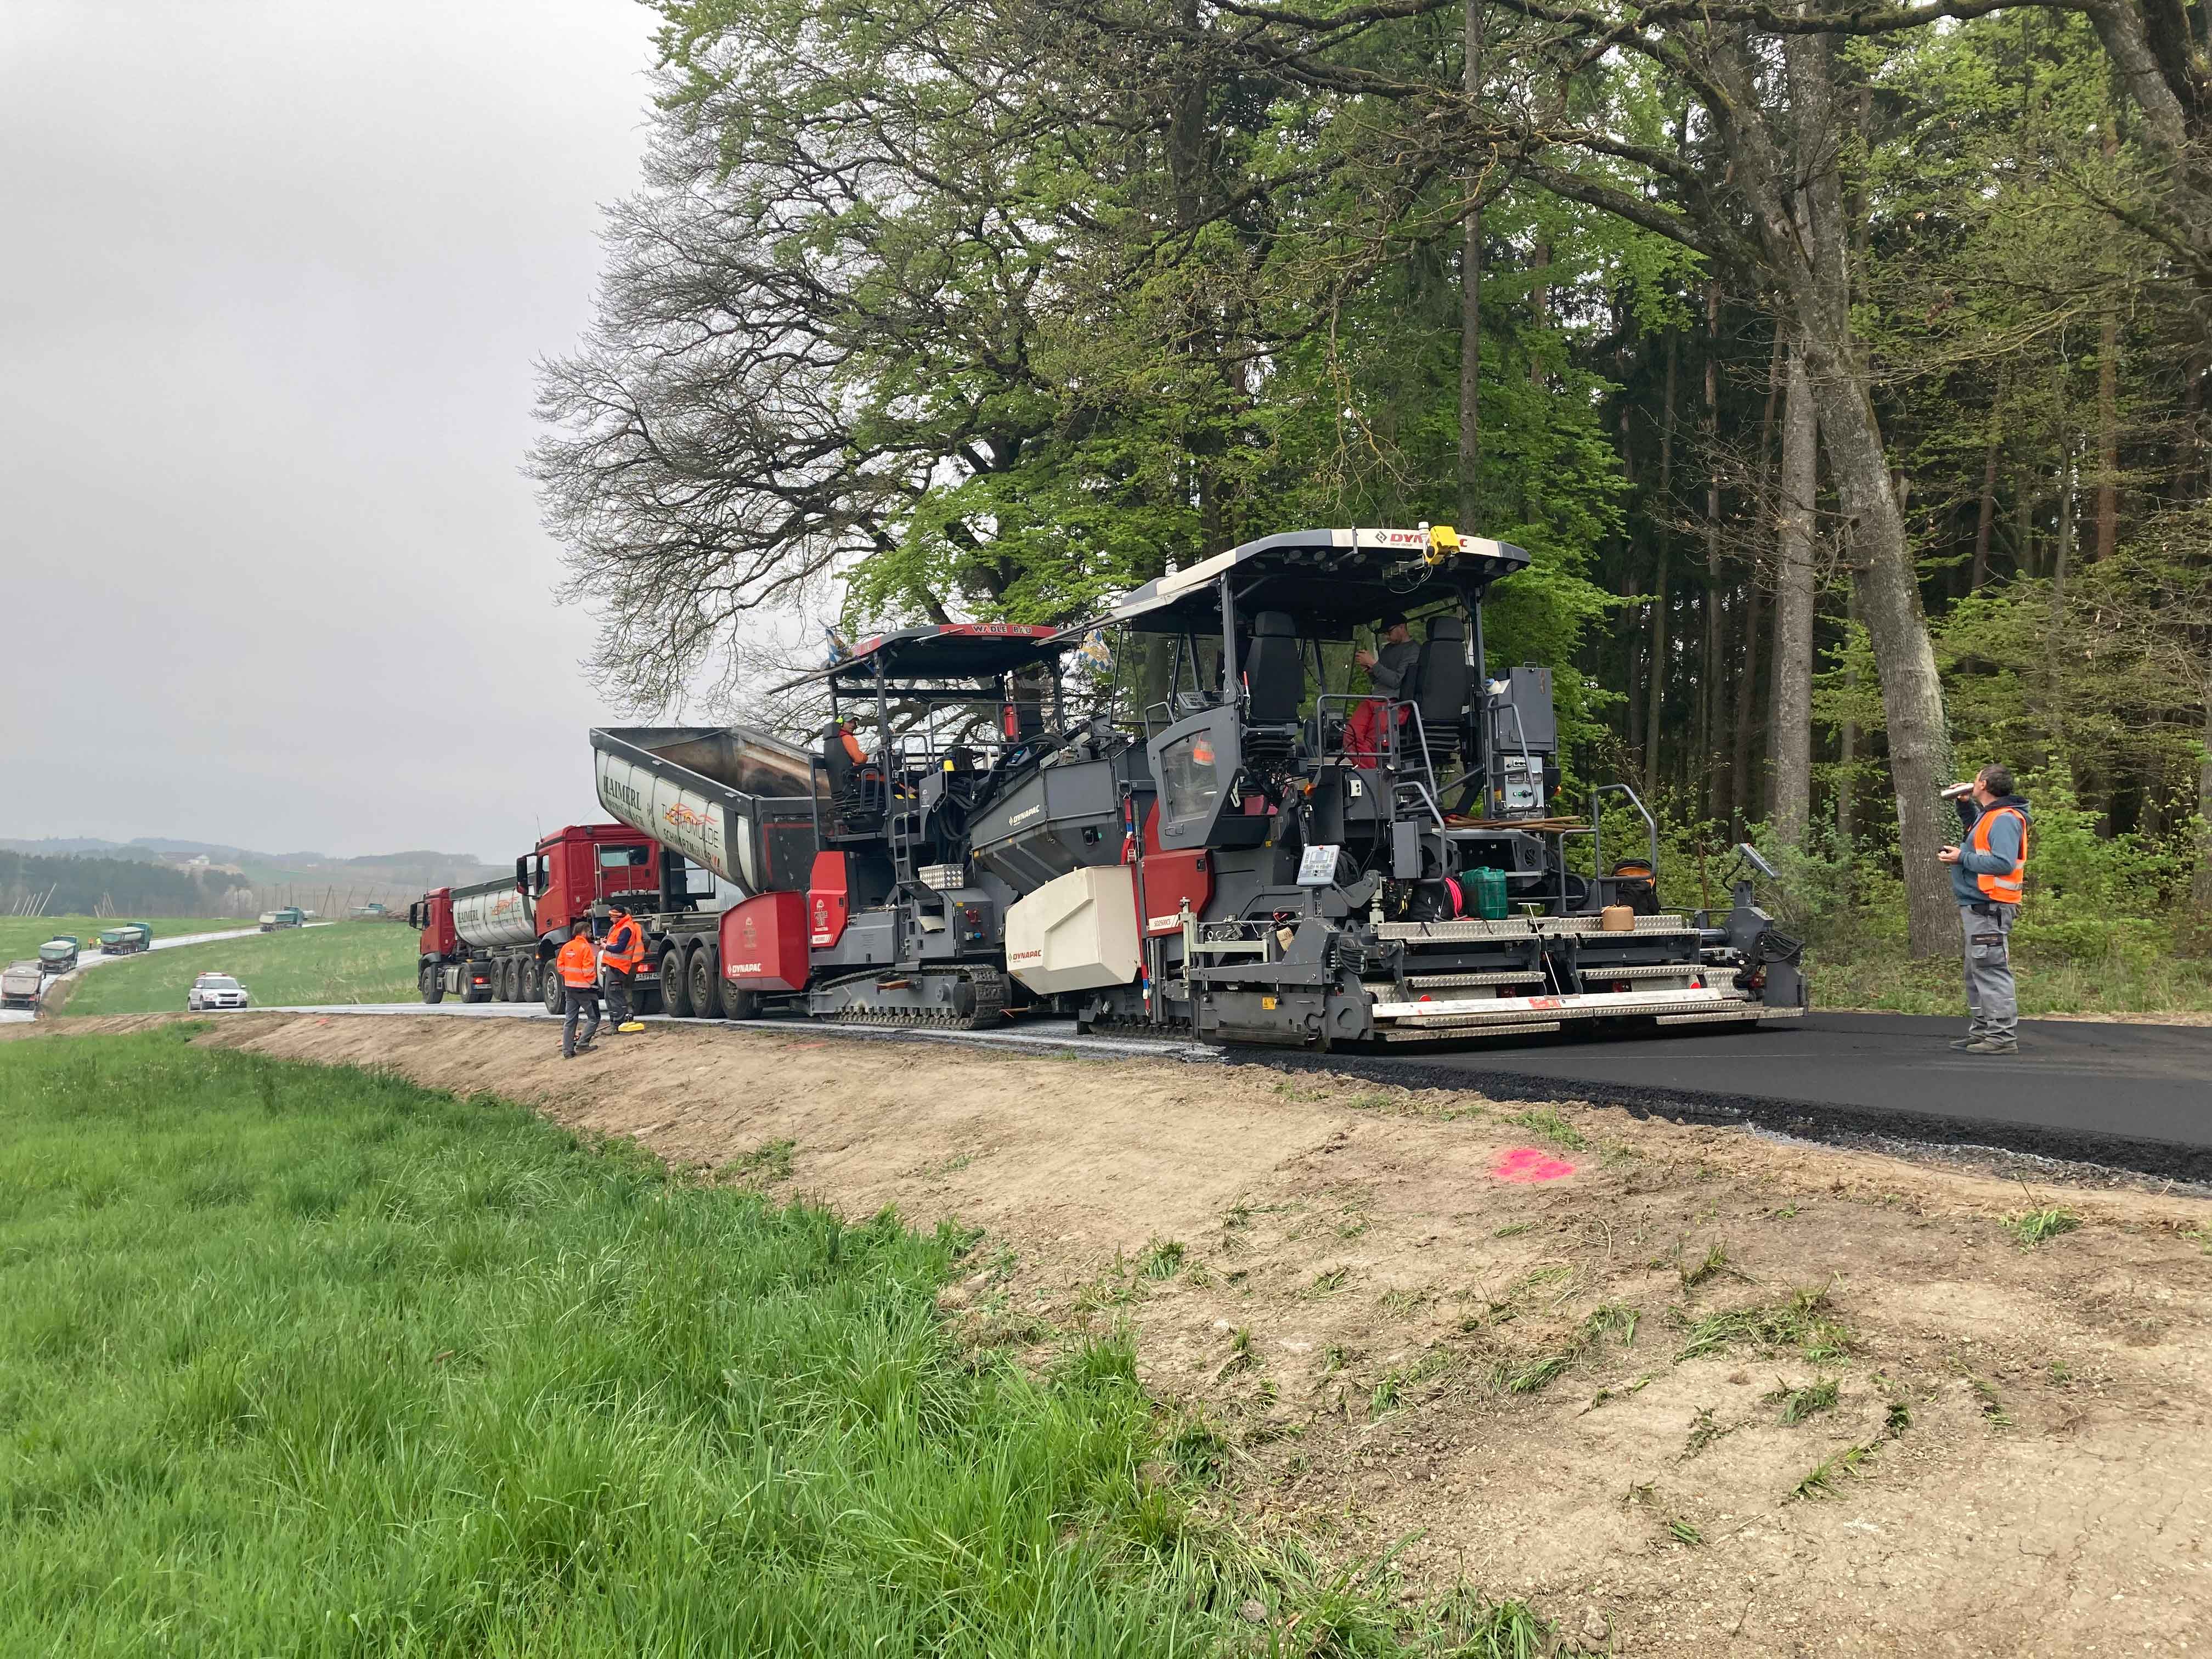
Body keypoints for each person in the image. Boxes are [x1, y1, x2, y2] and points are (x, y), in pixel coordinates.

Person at [1937, 764, 2032, 1055]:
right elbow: (1977, 836)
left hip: (1990, 906)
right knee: (1976, 970)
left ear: (1985, 785)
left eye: (1977, 778)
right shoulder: (1991, 815)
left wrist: (1961, 858)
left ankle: (2002, 1036)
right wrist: (1964, 805)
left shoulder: (2004, 819)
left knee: (1991, 969)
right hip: (1979, 904)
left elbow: (2002, 862)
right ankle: (1983, 1030)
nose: (1973, 781)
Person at [599, 905, 648, 1034]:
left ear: (618, 916)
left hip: (619, 967)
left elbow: (619, 948)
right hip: (615, 965)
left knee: (616, 996)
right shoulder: (619, 927)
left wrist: (605, 946)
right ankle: (617, 1022)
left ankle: (618, 1024)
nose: (610, 920)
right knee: (612, 995)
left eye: (612, 917)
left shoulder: (626, 928)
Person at [1353, 613, 1420, 703]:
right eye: (1384, 634)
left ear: (1402, 627)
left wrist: (1374, 664)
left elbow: (1397, 682)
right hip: (1376, 698)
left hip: (1394, 703)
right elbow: (1377, 681)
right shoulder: (1387, 649)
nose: (1386, 637)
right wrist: (1371, 670)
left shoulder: (1413, 650)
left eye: (1389, 632)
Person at [555, 929, 601, 1058]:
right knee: (594, 1018)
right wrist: (592, 982)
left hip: (570, 989)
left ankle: (567, 1051)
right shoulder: (585, 947)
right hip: (585, 990)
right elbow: (588, 969)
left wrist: (570, 977)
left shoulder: (567, 947)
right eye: (589, 932)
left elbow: (560, 967)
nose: (591, 934)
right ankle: (583, 1044)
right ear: (584, 932)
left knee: (570, 1020)